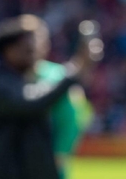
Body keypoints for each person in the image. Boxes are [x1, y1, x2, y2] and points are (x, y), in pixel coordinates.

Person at [0, 15, 98, 179]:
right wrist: (75, 71)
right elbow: (30, 102)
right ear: (9, 50)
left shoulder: (22, 80)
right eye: (28, 50)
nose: (34, 56)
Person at [25, 14, 97, 179]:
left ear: (46, 45)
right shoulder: (3, 80)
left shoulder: (58, 77)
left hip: (47, 166)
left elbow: (71, 121)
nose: (29, 47)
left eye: (34, 40)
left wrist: (60, 154)